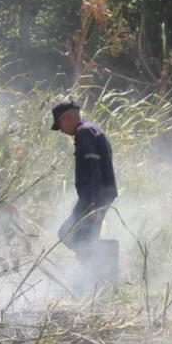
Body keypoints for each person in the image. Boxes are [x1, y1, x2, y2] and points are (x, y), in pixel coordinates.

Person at [51, 100, 118, 286]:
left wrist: (95, 205)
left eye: (60, 125)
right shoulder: (92, 129)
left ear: (67, 119)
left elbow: (94, 168)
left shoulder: (84, 132)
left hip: (94, 199)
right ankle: (97, 278)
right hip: (96, 197)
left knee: (68, 234)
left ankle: (99, 277)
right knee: (85, 240)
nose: (61, 131)